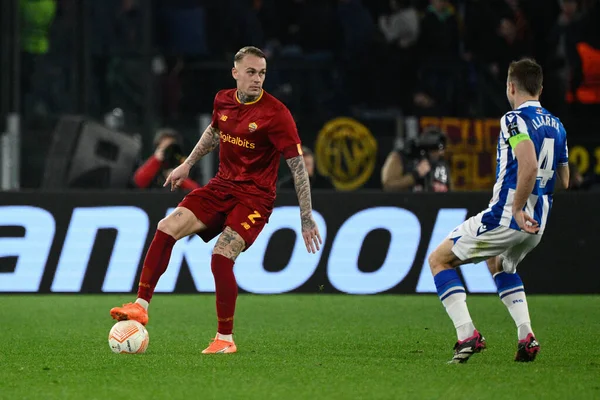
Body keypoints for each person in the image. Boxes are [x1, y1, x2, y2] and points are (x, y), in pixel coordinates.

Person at [110, 46, 322, 354]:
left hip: (254, 199)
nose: (257, 79)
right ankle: (141, 305)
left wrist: (306, 217)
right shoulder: (223, 99)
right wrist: (187, 164)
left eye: (262, 73)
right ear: (235, 73)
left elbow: (298, 168)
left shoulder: (276, 114)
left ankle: (225, 339)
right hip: (221, 187)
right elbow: (213, 132)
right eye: (251, 72)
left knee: (221, 256)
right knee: (167, 226)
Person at [427, 58, 570, 364]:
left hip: (509, 216)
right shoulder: (557, 125)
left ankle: (467, 335)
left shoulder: (513, 120)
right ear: (541, 88)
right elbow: (565, 179)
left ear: (510, 87)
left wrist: (517, 208)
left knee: (439, 260)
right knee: (500, 264)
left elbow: (529, 163)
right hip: (538, 223)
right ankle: (526, 336)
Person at [381, 129, 451, 192]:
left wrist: (440, 187)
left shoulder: (440, 163)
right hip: (402, 203)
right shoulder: (400, 157)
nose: (441, 153)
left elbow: (448, 189)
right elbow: (388, 186)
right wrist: (415, 174)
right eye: (435, 149)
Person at [132, 128, 200, 191]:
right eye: (164, 148)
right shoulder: (151, 164)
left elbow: (196, 190)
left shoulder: (187, 165)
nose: (168, 151)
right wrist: (155, 160)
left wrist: (178, 177)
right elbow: (139, 182)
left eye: (170, 148)